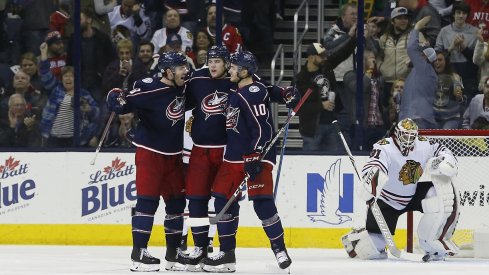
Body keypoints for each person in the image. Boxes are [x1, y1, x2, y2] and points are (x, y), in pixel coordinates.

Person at [180, 46, 299, 271]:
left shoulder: (252, 92)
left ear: (244, 71)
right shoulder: (237, 90)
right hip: (233, 157)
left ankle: (280, 249)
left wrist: (256, 155)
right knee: (221, 200)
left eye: (233, 67)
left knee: (262, 204)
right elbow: (271, 90)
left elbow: (262, 128)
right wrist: (285, 93)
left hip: (255, 157)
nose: (229, 71)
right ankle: (226, 254)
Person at [106, 51, 190, 272]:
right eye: (181, 67)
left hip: (174, 156)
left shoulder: (183, 86)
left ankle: (173, 254)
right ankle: (139, 254)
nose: (185, 71)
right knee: (147, 203)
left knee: (177, 204)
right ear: (168, 71)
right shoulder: (149, 88)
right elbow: (123, 103)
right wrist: (115, 97)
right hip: (150, 154)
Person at [341, 118, 460, 261]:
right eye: (405, 135)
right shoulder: (384, 147)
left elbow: (442, 149)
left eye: (412, 136)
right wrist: (371, 178)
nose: (409, 140)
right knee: (370, 252)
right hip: (387, 201)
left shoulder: (423, 144)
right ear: (397, 133)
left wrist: (445, 159)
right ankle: (355, 238)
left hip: (413, 194)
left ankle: (431, 243)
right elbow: (375, 164)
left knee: (440, 195)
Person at [296, 40, 355, 152]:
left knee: (333, 161)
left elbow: (342, 53)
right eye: (321, 56)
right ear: (312, 58)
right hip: (311, 129)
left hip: (331, 122)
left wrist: (354, 38)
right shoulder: (301, 79)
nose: (325, 58)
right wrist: (321, 105)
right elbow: (296, 107)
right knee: (310, 161)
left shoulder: (326, 68)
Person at [39, 42, 100, 148]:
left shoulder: (84, 94)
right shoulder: (56, 90)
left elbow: (97, 114)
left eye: (71, 76)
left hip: (76, 139)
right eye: (65, 76)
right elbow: (45, 75)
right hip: (54, 138)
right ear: (61, 79)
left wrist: (89, 109)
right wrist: (44, 54)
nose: (68, 78)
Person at [399, 16, 438, 129]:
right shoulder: (426, 72)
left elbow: (411, 48)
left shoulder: (424, 69)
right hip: (417, 118)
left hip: (418, 120)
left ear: (423, 56)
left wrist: (416, 28)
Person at [435, 1, 479, 102]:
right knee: (448, 104)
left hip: (468, 74)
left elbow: (477, 60)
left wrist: (464, 48)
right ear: (453, 14)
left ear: (467, 15)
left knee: (467, 105)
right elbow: (437, 57)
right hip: (448, 73)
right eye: (458, 12)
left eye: (464, 13)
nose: (461, 16)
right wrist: (451, 47)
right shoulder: (444, 31)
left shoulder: (475, 32)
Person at [432, 50, 464, 129]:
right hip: (434, 118)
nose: (437, 62)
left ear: (446, 62)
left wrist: (459, 97)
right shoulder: (429, 78)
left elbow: (460, 100)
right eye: (435, 60)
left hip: (451, 118)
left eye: (440, 60)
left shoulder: (455, 77)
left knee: (446, 132)